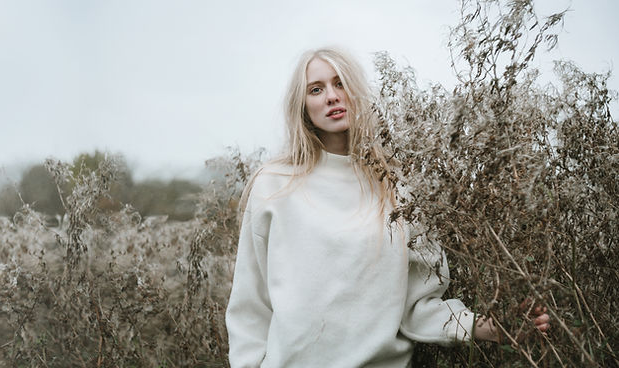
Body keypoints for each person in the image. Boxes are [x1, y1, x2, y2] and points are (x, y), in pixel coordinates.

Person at [224, 47, 550, 367]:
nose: (332, 97)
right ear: (302, 104)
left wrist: (491, 327)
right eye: (316, 89)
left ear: (357, 91)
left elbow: (417, 303)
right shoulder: (275, 184)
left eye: (340, 83)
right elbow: (250, 302)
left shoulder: (395, 187)